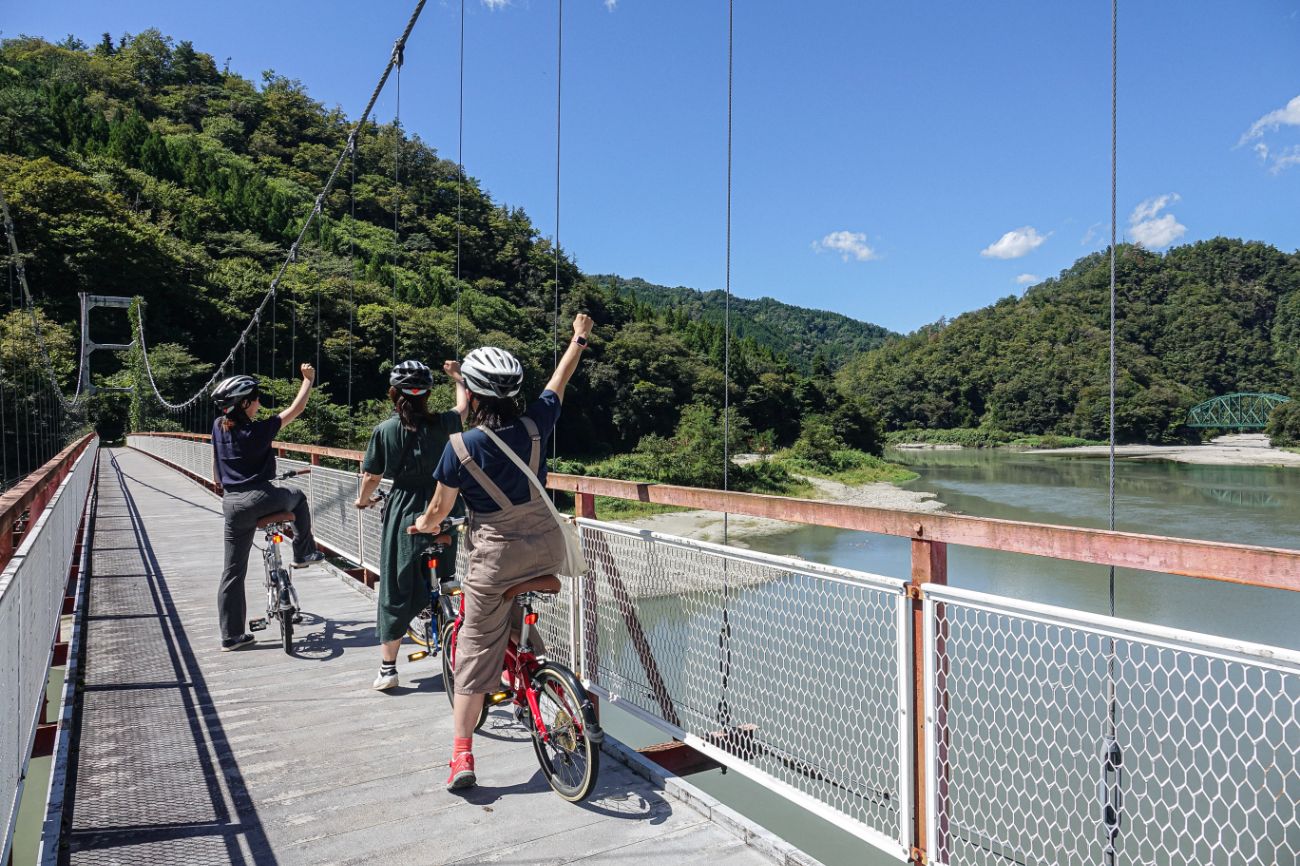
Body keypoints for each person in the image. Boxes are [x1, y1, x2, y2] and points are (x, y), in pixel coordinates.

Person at [409, 313, 594, 791]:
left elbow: (437, 509)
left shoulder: (459, 446)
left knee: (471, 651)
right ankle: (541, 688)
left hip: (495, 561)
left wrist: (422, 526)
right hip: (547, 552)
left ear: (469, 395)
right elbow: (559, 380)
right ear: (513, 394)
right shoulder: (535, 425)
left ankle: (462, 757)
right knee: (516, 621)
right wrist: (579, 338)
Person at [354, 359, 468, 691]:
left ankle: (388, 669)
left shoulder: (384, 431)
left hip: (404, 509)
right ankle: (451, 626)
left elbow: (372, 477)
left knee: (394, 587)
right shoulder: (446, 423)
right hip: (444, 504)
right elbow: (464, 405)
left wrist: (362, 500)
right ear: (428, 393)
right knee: (446, 579)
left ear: (394, 393)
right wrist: (458, 376)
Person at [211, 365, 324, 651]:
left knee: (232, 571)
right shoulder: (258, 431)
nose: (260, 402)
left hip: (232, 504)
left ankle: (231, 636)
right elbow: (295, 409)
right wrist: (307, 381)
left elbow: (216, 471)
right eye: (257, 398)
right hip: (261, 497)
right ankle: (302, 552)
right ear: (245, 403)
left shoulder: (217, 426)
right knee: (297, 495)